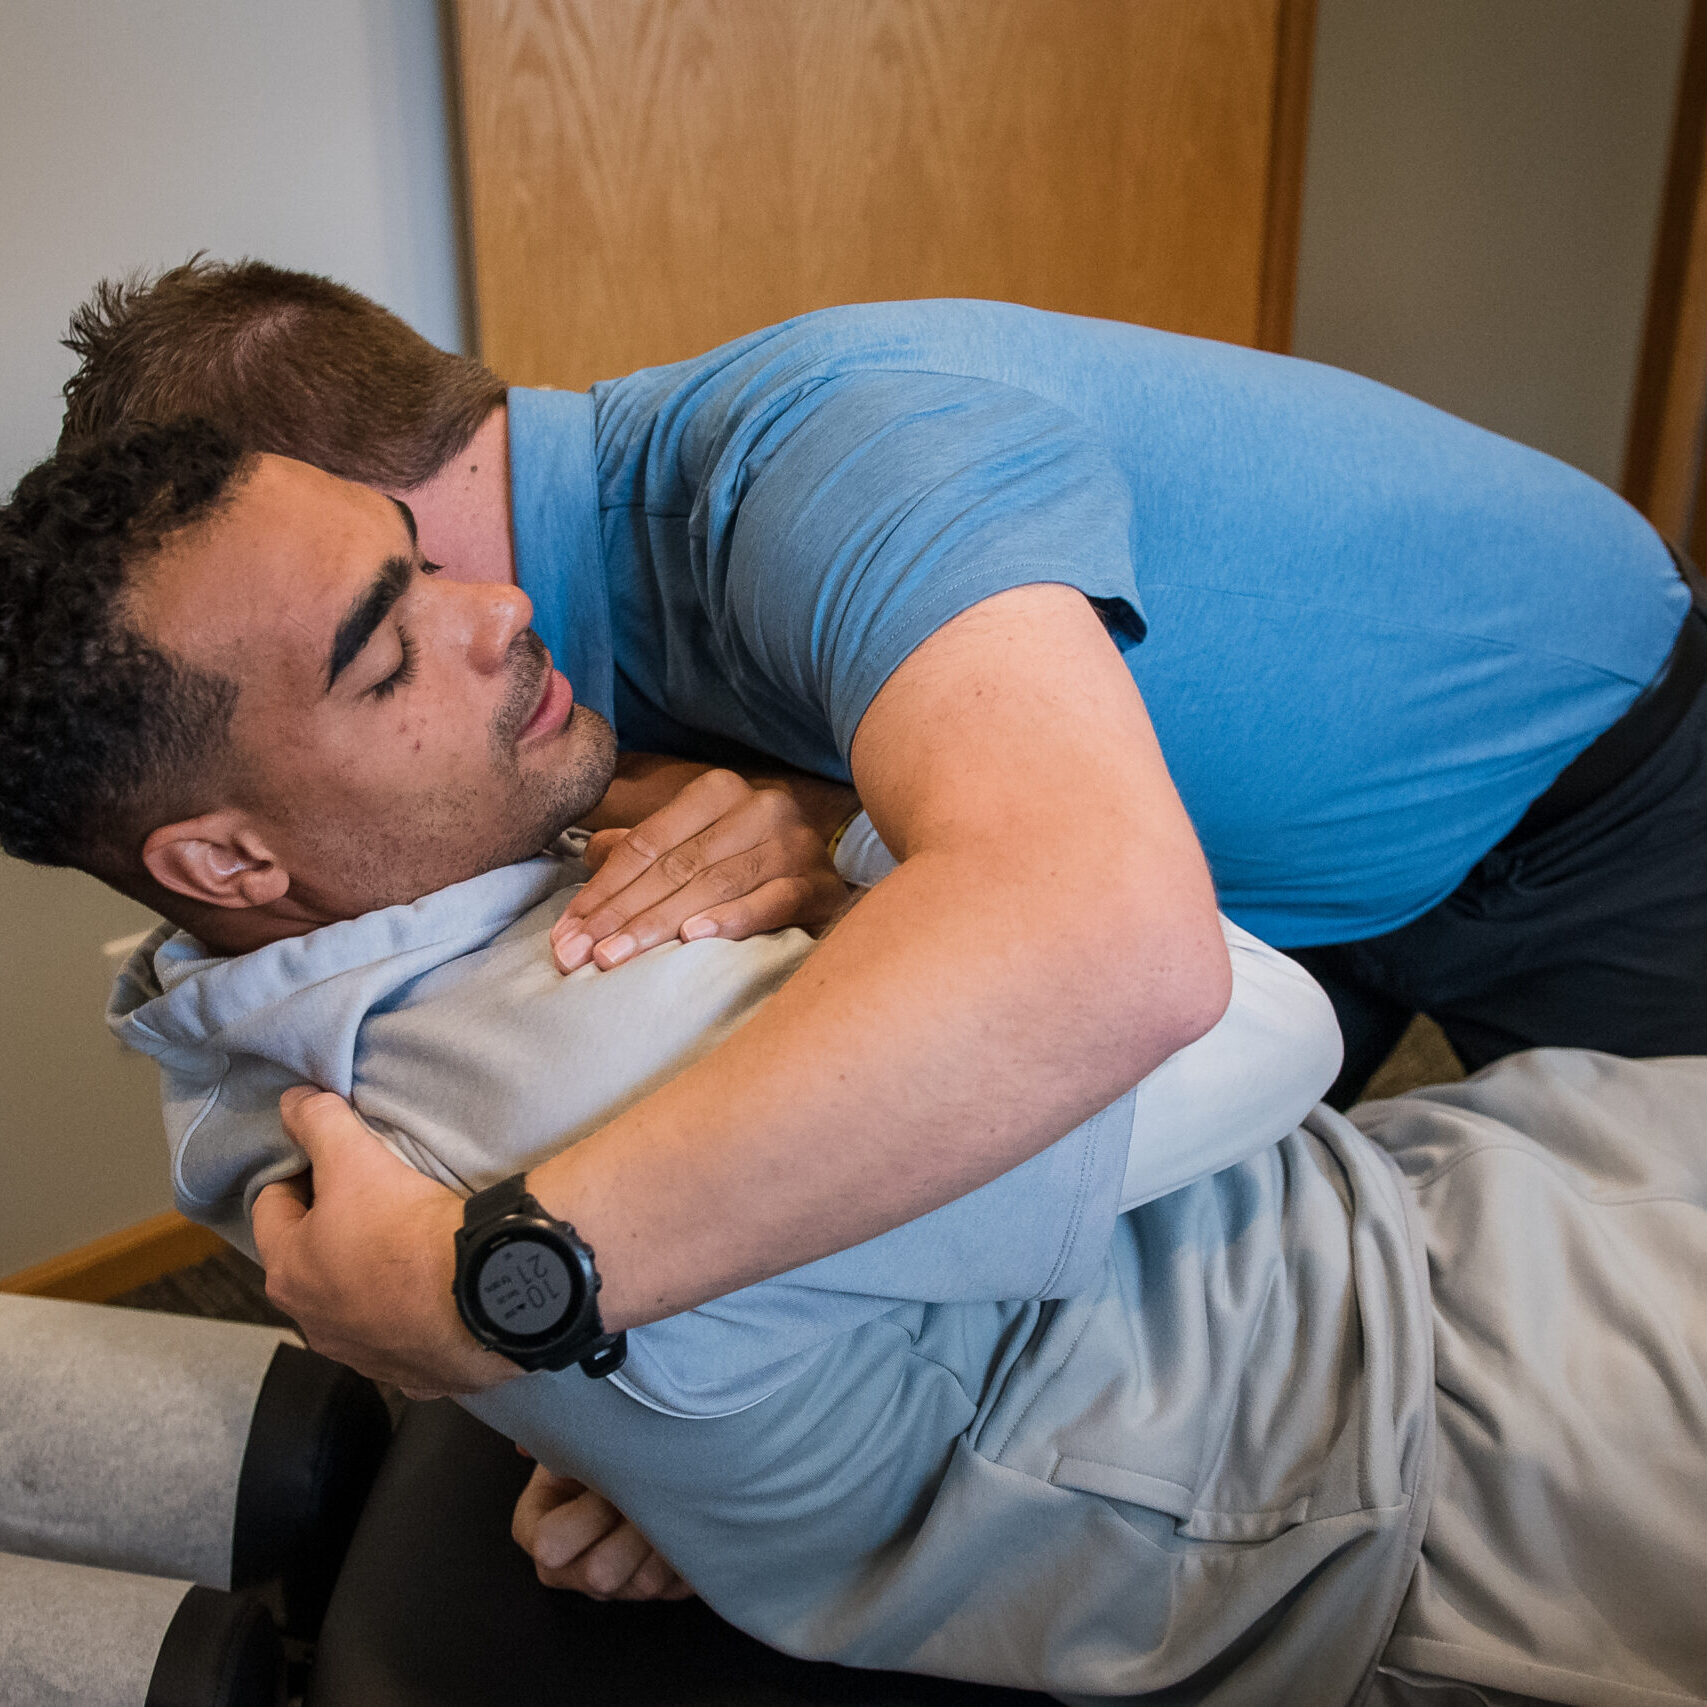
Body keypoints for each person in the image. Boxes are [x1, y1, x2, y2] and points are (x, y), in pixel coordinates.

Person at [9, 421, 1707, 1707]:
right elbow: (1236, 1014)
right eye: (390, 654)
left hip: (1388, 1232)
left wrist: (703, 1461)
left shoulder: (227, 1055)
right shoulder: (590, 1052)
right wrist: (882, 853)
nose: (501, 608)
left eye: (421, 556)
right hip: (1423, 1441)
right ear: (226, 861)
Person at [47, 260, 1707, 1404]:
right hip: (1250, 883)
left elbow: (1113, 946)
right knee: (1253, 1313)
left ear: (338, 520)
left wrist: (498, 1291)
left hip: (1580, 786)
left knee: (1653, 1309)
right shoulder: (553, 703)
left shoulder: (822, 459)